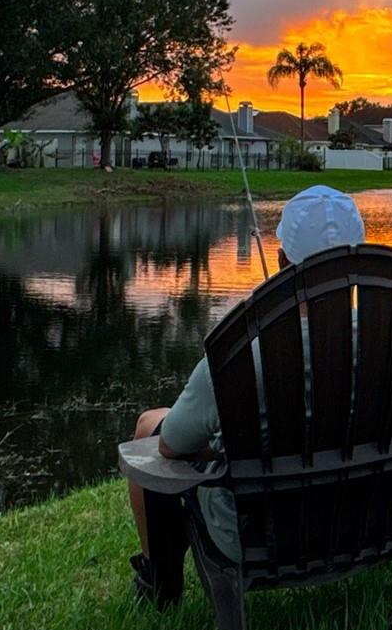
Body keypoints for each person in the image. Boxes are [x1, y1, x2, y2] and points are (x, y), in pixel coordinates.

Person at [126, 184, 366, 605]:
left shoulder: (240, 352)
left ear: (281, 261)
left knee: (151, 425)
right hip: (362, 518)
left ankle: (158, 582)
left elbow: (171, 446)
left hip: (256, 534)